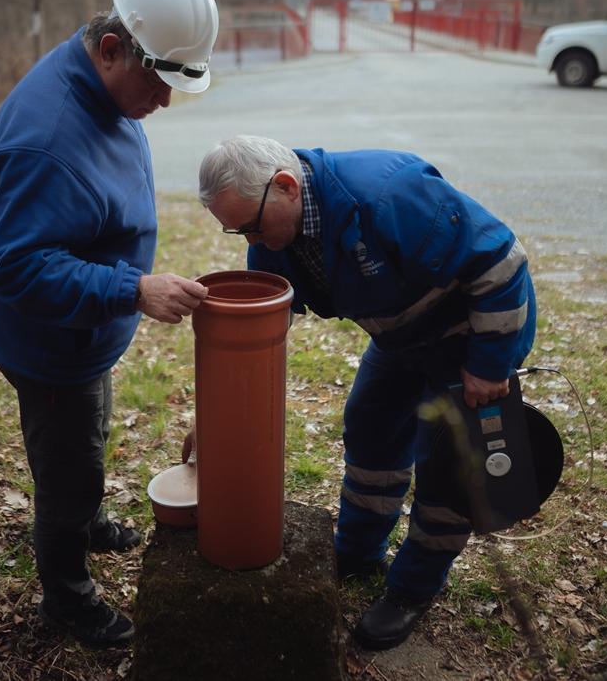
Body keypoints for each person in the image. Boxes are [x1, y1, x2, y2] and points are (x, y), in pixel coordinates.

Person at [197, 135, 535, 651]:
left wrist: (488, 365)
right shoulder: (273, 239)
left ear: (285, 187)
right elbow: (259, 331)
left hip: (473, 335)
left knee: (450, 465)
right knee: (371, 425)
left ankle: (411, 591)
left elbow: (501, 264)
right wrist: (219, 412)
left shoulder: (386, 196)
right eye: (236, 230)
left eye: (251, 225)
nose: (251, 241)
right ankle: (357, 551)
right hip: (402, 337)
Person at [0, 0, 218, 649]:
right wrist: (132, 289)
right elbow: (19, 269)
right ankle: (67, 595)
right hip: (49, 344)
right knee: (68, 466)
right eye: (157, 85)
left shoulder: (101, 85)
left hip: (83, 334)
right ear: (112, 49)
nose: (164, 104)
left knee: (88, 437)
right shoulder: (49, 138)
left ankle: (83, 522)